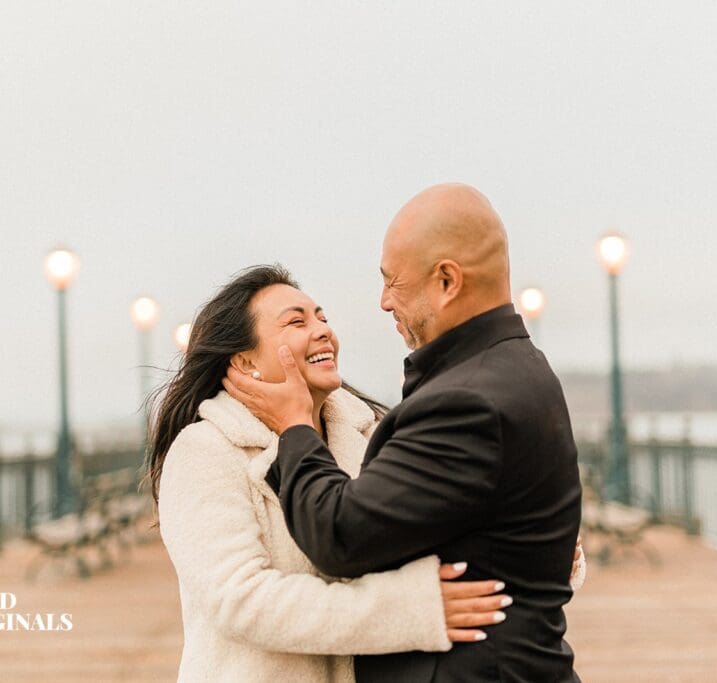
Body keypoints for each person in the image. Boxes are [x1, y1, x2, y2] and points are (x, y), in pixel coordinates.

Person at [224, 184, 584, 682]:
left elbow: (341, 535)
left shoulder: (465, 400)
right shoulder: (515, 369)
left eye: (393, 281)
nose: (383, 302)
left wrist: (295, 426)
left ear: (446, 281)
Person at [150, 265, 516, 683]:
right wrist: (410, 611)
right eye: (296, 321)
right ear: (245, 360)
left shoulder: (372, 431)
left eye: (322, 317)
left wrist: (531, 540)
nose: (323, 330)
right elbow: (241, 600)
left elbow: (438, 528)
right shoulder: (206, 451)